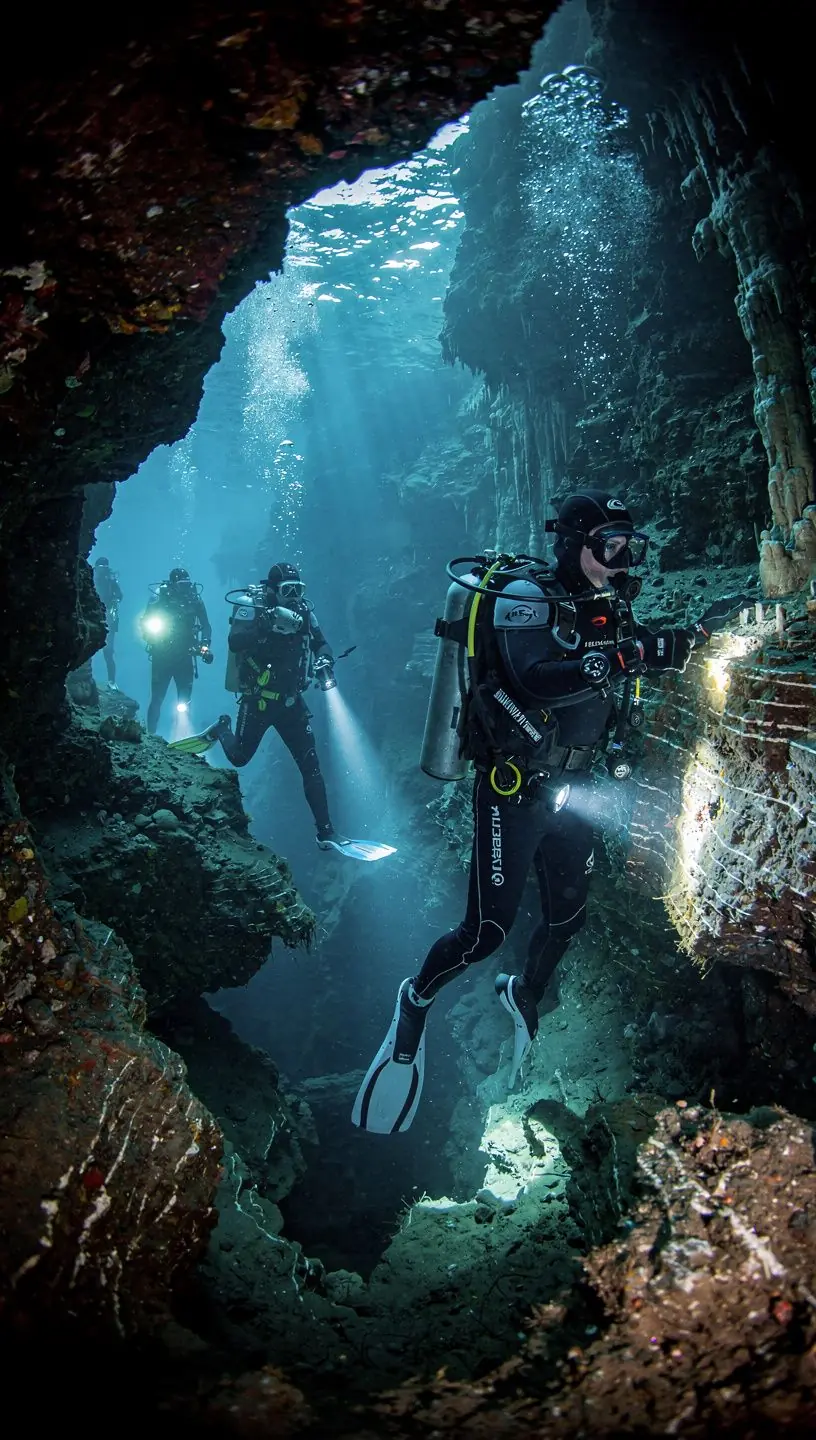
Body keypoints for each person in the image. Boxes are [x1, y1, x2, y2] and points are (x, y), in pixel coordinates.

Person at [353, 490, 695, 1134]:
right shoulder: (524, 597)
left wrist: (675, 642)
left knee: (568, 918)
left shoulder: (610, 601)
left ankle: (524, 994)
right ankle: (414, 1001)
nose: (621, 558)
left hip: (576, 787)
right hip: (514, 789)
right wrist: (621, 658)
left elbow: (627, 657)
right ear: (573, 543)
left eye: (629, 545)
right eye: (609, 545)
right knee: (485, 932)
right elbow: (532, 677)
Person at [171, 563, 394, 862]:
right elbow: (234, 642)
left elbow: (321, 643)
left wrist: (324, 661)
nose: (293, 597)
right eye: (287, 590)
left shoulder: (305, 613)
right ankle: (222, 728)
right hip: (258, 701)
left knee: (311, 766)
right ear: (272, 590)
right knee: (239, 758)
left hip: (291, 703)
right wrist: (265, 624)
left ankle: (326, 832)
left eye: (298, 590)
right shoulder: (254, 609)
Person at [140, 567, 213, 734]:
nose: (185, 589)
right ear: (172, 585)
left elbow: (206, 626)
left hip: (186, 655)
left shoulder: (195, 600)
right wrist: (153, 637)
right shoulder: (159, 599)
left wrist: (205, 645)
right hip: (162, 656)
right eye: (181, 585)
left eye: (187, 585)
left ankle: (182, 732)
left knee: (184, 701)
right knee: (157, 698)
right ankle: (150, 734)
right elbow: (146, 623)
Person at [93, 556, 123, 691]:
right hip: (94, 616)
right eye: (100, 568)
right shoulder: (91, 578)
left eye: (104, 569)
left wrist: (115, 600)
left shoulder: (111, 580)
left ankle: (112, 681)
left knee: (108, 651)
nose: (102, 571)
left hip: (107, 618)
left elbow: (120, 595)